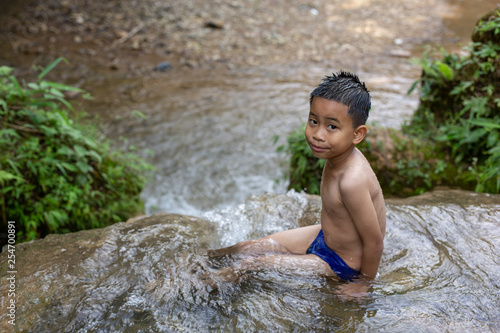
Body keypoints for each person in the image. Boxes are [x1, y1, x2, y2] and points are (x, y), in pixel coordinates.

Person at [208, 71, 386, 297]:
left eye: (332, 127)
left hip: (342, 263)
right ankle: (200, 259)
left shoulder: (352, 180)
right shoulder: (336, 156)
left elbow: (375, 242)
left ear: (357, 134)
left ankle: (196, 286)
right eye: (313, 121)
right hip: (324, 238)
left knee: (252, 266)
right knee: (247, 248)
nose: (317, 134)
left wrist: (363, 285)